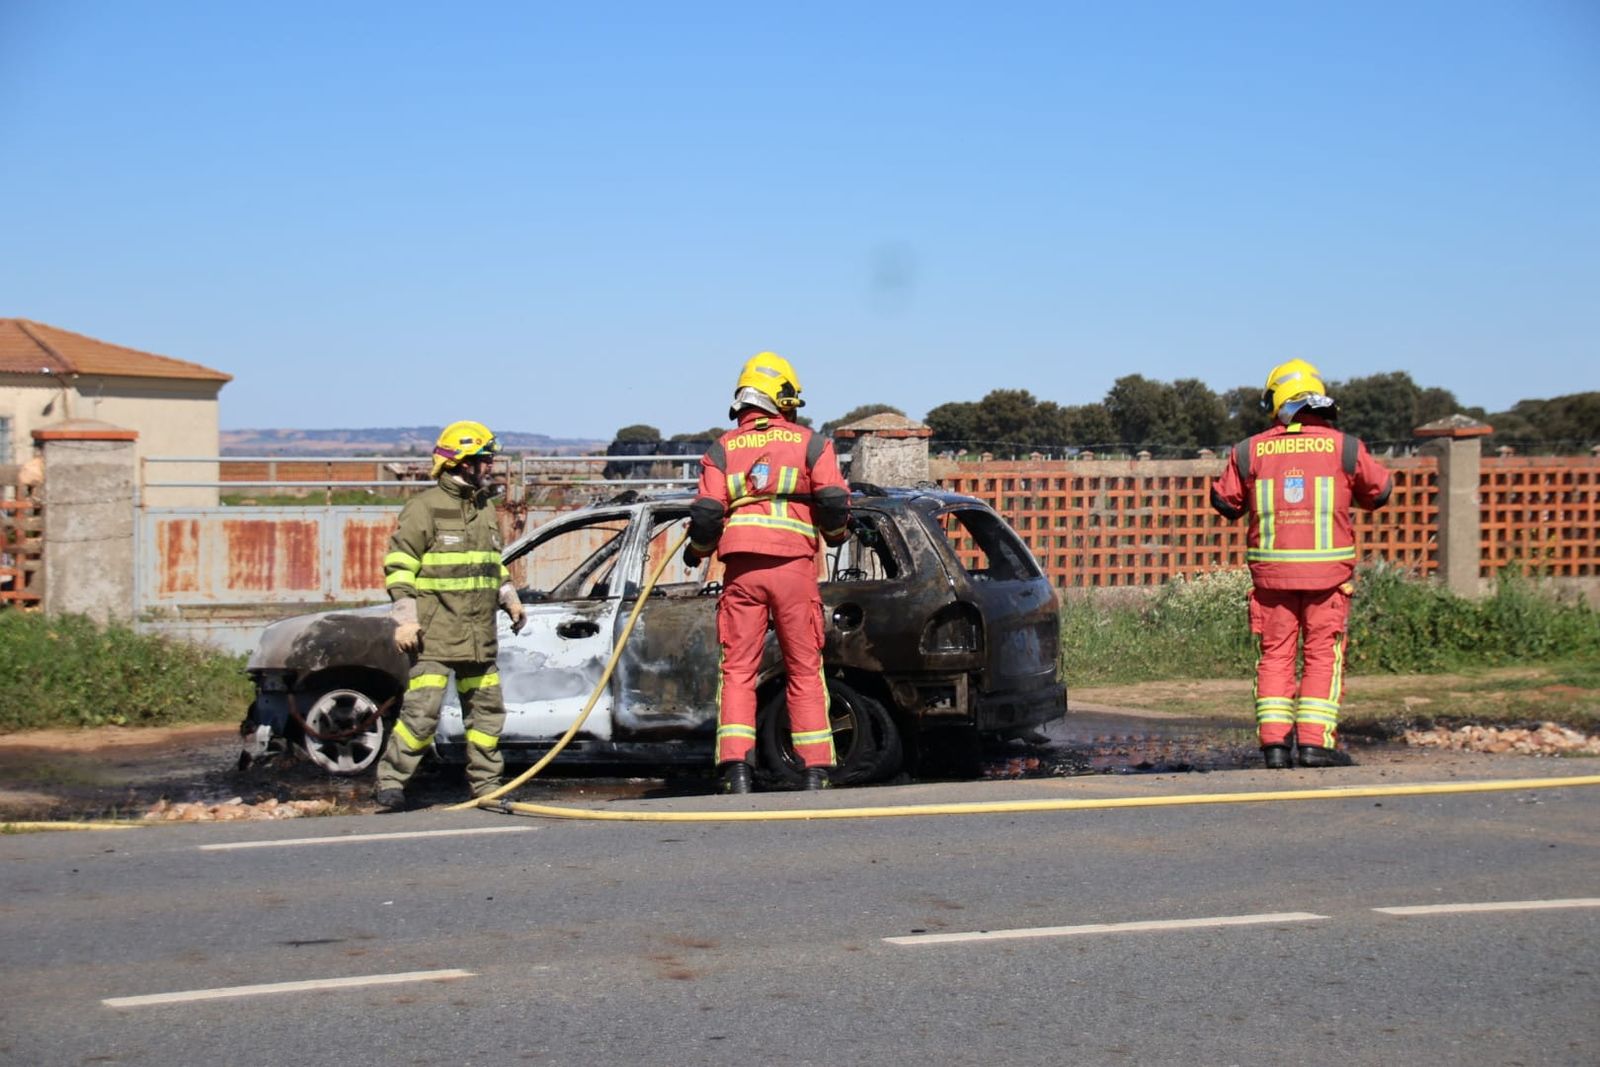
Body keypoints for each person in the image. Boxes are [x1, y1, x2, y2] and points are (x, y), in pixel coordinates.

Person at [1210, 360, 1393, 769]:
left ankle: (1274, 746)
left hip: (1272, 578)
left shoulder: (1249, 449)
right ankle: (1315, 744)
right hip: (1328, 579)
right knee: (1321, 656)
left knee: (1274, 657)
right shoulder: (1344, 447)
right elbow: (1379, 492)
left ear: (1275, 401)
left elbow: (1225, 502)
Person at [683, 352, 852, 793]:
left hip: (741, 571)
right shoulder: (811, 444)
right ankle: (815, 769)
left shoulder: (721, 448)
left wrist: (697, 551)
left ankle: (736, 769)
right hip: (793, 569)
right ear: (783, 399)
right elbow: (834, 501)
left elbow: (705, 514)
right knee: (803, 668)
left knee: (738, 670)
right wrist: (835, 535)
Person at [374, 420, 525, 809]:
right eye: (483, 460)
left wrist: (509, 595)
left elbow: (492, 564)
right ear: (460, 462)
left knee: (487, 719)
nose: (489, 467)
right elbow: (399, 566)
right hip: (434, 636)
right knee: (421, 716)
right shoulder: (424, 508)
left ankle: (487, 787)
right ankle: (391, 781)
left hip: (479, 634)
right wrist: (406, 618)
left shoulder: (484, 508)